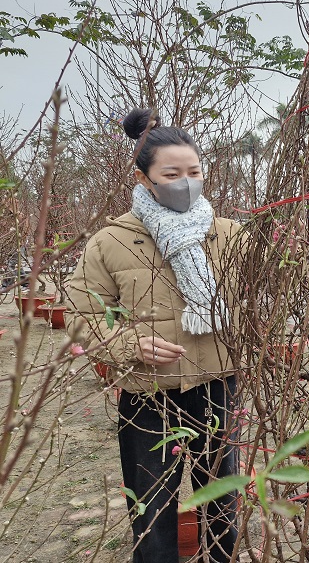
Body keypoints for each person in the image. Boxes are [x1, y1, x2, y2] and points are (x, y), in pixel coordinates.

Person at [67, 109, 242, 563]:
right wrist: (130, 345)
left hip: (217, 385)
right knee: (151, 512)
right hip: (148, 395)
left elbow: (262, 303)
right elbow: (82, 311)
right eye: (172, 174)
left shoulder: (228, 235)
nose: (185, 181)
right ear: (146, 179)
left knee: (222, 504)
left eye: (194, 172)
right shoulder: (111, 241)